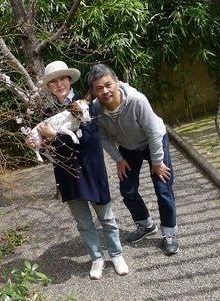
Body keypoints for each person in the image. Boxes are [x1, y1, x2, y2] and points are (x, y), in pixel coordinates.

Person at [26, 60, 129, 280]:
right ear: (49, 86)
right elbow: (48, 147)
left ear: (69, 80)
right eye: (53, 82)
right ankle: (96, 258)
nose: (59, 84)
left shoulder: (85, 103)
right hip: (66, 172)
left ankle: (116, 254)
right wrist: (37, 143)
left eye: (62, 79)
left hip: (91, 167)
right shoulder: (46, 112)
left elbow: (89, 139)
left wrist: (55, 137)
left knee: (106, 216)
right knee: (83, 222)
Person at [88, 63, 179, 255]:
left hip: (154, 141)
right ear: (94, 92)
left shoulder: (137, 100)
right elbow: (102, 137)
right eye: (99, 88)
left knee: (163, 188)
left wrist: (157, 162)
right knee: (127, 190)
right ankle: (146, 224)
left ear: (116, 81)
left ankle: (169, 233)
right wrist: (118, 159)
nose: (105, 91)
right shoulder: (95, 109)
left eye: (108, 85)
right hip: (128, 148)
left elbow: (153, 133)